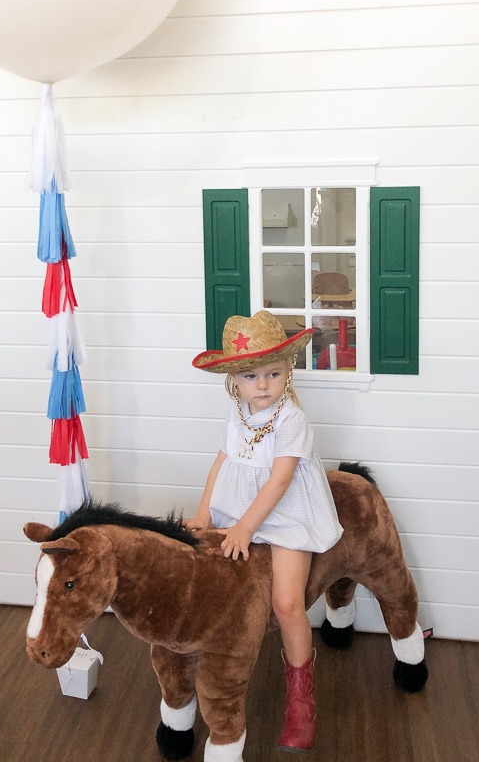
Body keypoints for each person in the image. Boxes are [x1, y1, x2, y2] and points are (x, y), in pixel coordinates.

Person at [188, 310, 343, 752]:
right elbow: (221, 462)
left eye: (273, 373)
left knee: (287, 602)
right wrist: (205, 514)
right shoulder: (237, 413)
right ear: (234, 379)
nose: (262, 385)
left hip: (286, 514)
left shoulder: (291, 419)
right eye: (251, 375)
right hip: (241, 511)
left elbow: (279, 481)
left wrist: (245, 527)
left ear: (288, 371)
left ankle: (301, 696)